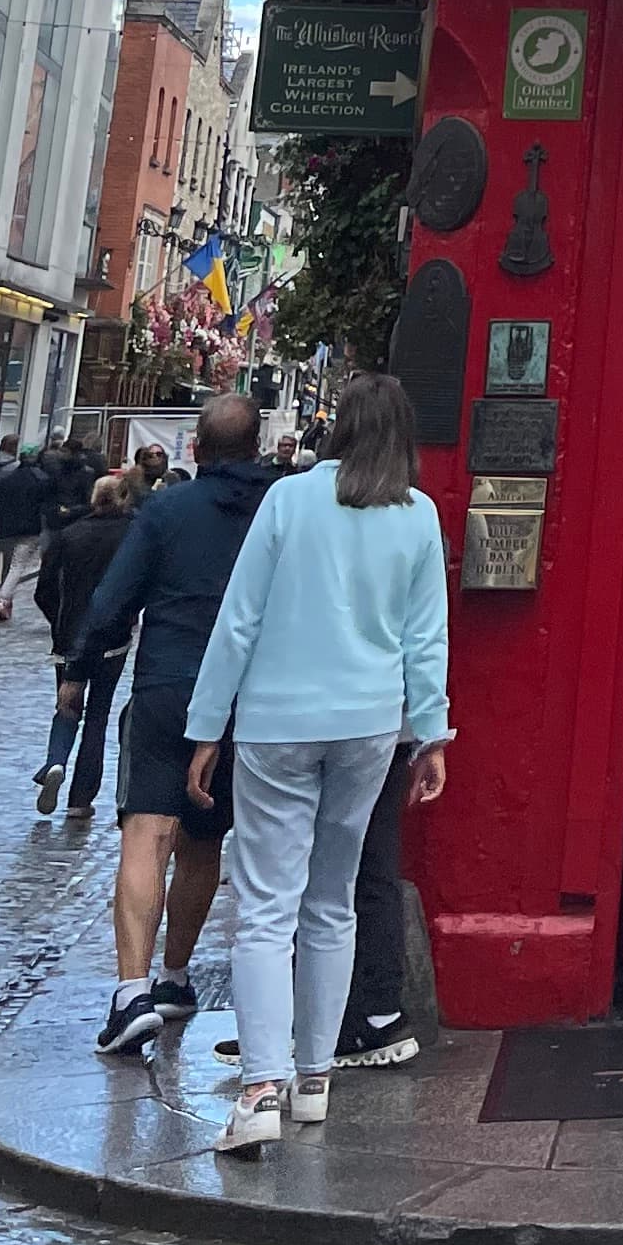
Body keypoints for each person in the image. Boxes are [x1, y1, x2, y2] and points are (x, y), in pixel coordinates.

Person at [186, 370, 449, 1159]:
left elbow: (239, 621)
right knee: (333, 900)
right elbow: (425, 637)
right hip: (369, 723)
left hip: (278, 719)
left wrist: (207, 725)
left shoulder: (289, 500)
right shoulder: (418, 514)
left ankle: (260, 1087)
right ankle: (313, 1077)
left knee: (267, 907)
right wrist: (431, 734)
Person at [65, 391, 276, 1057]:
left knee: (146, 834)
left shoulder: (166, 509)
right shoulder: (278, 508)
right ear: (257, 446)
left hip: (167, 686)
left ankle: (132, 992)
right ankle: (176, 975)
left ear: (199, 449)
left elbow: (111, 602)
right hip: (246, 695)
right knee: (204, 841)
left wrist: (81, 664)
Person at [31, 470, 138, 818]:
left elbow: (44, 590)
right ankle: (80, 799)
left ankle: (55, 761)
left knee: (67, 705)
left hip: (70, 638)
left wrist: (59, 623)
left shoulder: (69, 534)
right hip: (112, 640)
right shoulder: (132, 534)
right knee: (98, 715)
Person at [0, 440, 53, 623]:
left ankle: (4, 600)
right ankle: (4, 599)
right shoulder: (42, 480)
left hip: (6, 528)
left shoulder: (8, 480)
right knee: (15, 566)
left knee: (5, 563)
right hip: (30, 530)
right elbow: (47, 506)